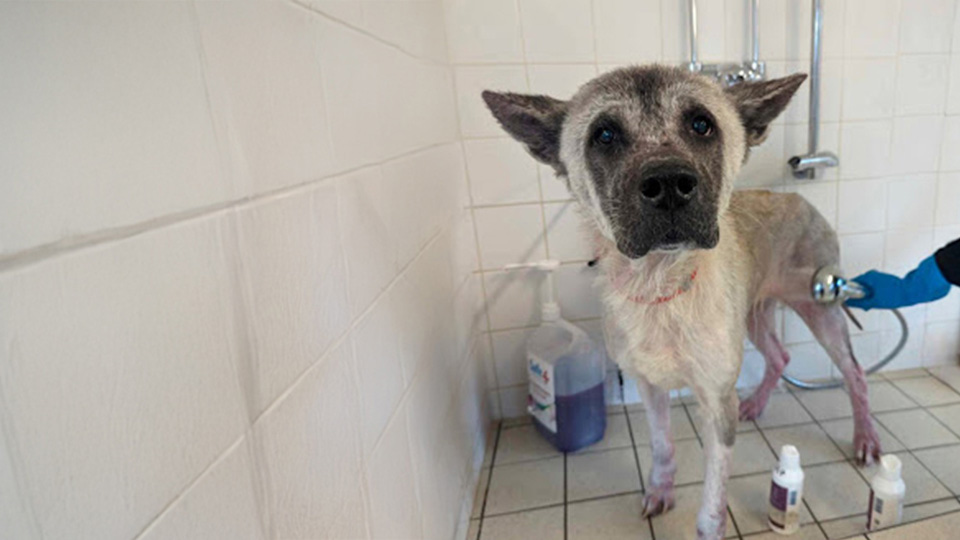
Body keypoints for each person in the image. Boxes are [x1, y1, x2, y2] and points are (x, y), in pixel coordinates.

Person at [846, 239, 960, 310]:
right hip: (947, 265)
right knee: (910, 291)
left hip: (946, 265)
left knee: (918, 290)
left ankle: (842, 292)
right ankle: (842, 291)